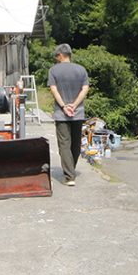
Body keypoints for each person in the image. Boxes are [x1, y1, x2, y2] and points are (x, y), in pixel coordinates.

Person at [47, 43, 89, 186]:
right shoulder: (81, 70)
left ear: (60, 55)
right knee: (76, 143)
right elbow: (85, 89)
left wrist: (64, 106)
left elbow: (54, 90)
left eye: (56, 56)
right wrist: (75, 105)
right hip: (77, 113)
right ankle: (72, 168)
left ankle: (69, 176)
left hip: (61, 113)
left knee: (64, 144)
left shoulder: (53, 70)